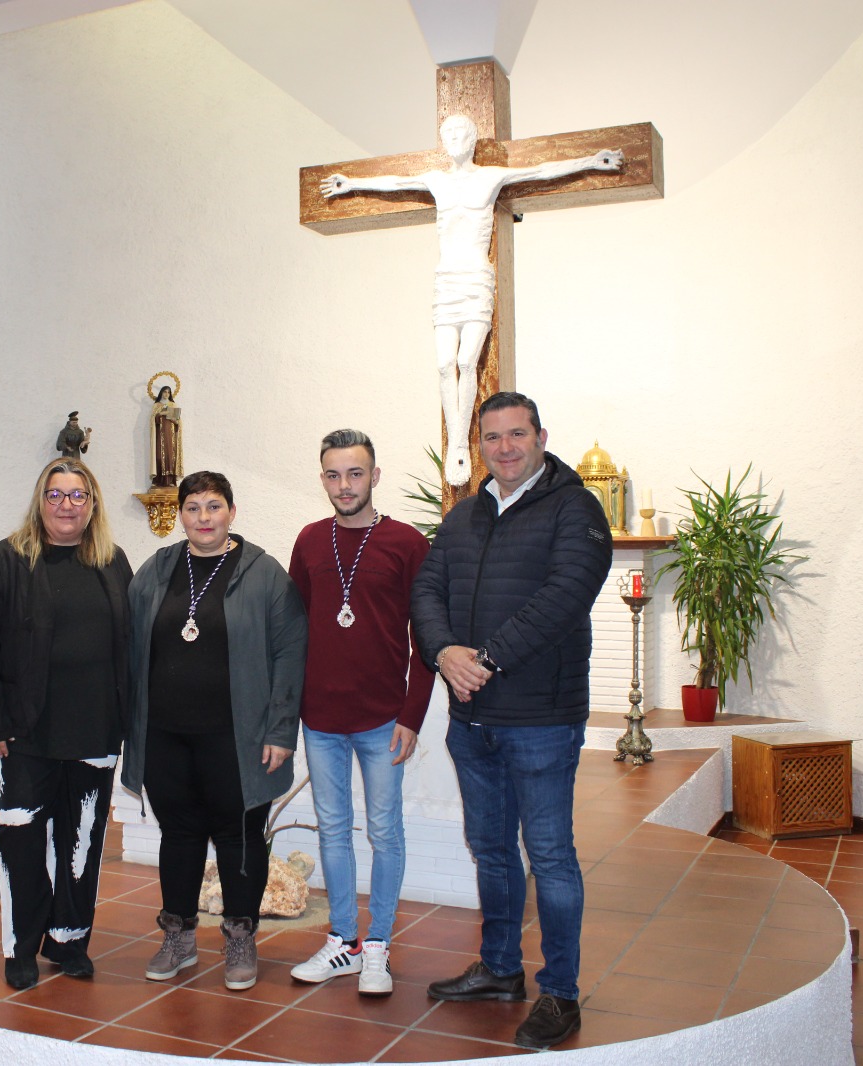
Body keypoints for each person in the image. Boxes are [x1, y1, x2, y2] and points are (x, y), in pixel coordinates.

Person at [409, 392, 612, 1050]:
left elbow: (565, 596)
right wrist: (443, 653)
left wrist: (485, 660)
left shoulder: (575, 510)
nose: (504, 448)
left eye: (516, 435)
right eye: (491, 437)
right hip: (474, 719)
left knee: (550, 856)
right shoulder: (464, 516)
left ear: (540, 436)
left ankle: (560, 992)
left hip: (541, 718)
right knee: (491, 849)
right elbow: (426, 590)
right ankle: (500, 969)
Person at [320, 117, 623, 487]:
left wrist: (590, 161)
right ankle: (457, 444)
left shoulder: (490, 177)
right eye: (449, 135)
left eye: (462, 134)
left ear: (472, 138)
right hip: (446, 280)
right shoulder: (437, 180)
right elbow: (396, 183)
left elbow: (541, 170)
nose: (456, 140)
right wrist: (352, 184)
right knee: (446, 364)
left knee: (467, 360)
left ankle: (462, 442)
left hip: (477, 279)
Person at [121, 471, 307, 991]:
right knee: (178, 834)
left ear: (231, 511)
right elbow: (128, 643)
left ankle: (240, 938)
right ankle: (178, 936)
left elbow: (291, 653)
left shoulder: (264, 574)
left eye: (214, 506)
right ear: (180, 514)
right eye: (194, 507)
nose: (204, 517)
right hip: (165, 733)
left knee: (240, 836)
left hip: (238, 736)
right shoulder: (156, 570)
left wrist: (280, 730)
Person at [0, 457, 133, 990]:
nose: (66, 505)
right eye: (56, 495)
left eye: (77, 496)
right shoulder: (8, 560)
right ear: (41, 502)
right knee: (22, 840)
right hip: (26, 732)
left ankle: (68, 939)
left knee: (82, 841)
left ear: (93, 504)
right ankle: (21, 946)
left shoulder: (112, 562)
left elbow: (129, 644)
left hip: (95, 728)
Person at [287, 430, 435, 996]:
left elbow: (427, 638)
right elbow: (292, 629)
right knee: (332, 831)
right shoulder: (308, 541)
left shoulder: (405, 543)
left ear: (374, 476)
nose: (343, 485)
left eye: (354, 474)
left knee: (384, 832)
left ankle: (378, 947)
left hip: (382, 718)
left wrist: (412, 716)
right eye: (332, 474)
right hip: (319, 718)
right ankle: (343, 942)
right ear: (322, 477)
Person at [150, 385, 183, 487]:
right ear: (161, 393)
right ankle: (158, 480)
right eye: (164, 392)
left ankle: (171, 481)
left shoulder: (173, 405)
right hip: (160, 434)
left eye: (168, 392)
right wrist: (161, 414)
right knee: (159, 456)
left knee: (170, 457)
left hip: (171, 435)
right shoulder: (156, 405)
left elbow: (178, 422)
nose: (166, 394)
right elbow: (153, 420)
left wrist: (174, 419)